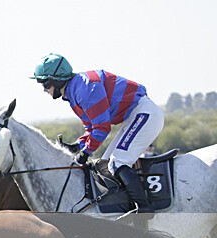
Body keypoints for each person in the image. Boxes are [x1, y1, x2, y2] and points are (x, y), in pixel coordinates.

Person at [31, 53, 163, 216]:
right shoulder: (74, 92)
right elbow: (92, 129)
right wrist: (76, 146)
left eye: (45, 83)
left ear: (57, 80)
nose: (44, 89)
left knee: (118, 163)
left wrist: (85, 153)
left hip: (144, 113)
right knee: (105, 164)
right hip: (133, 117)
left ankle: (144, 209)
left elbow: (102, 128)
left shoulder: (85, 89)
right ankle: (124, 206)